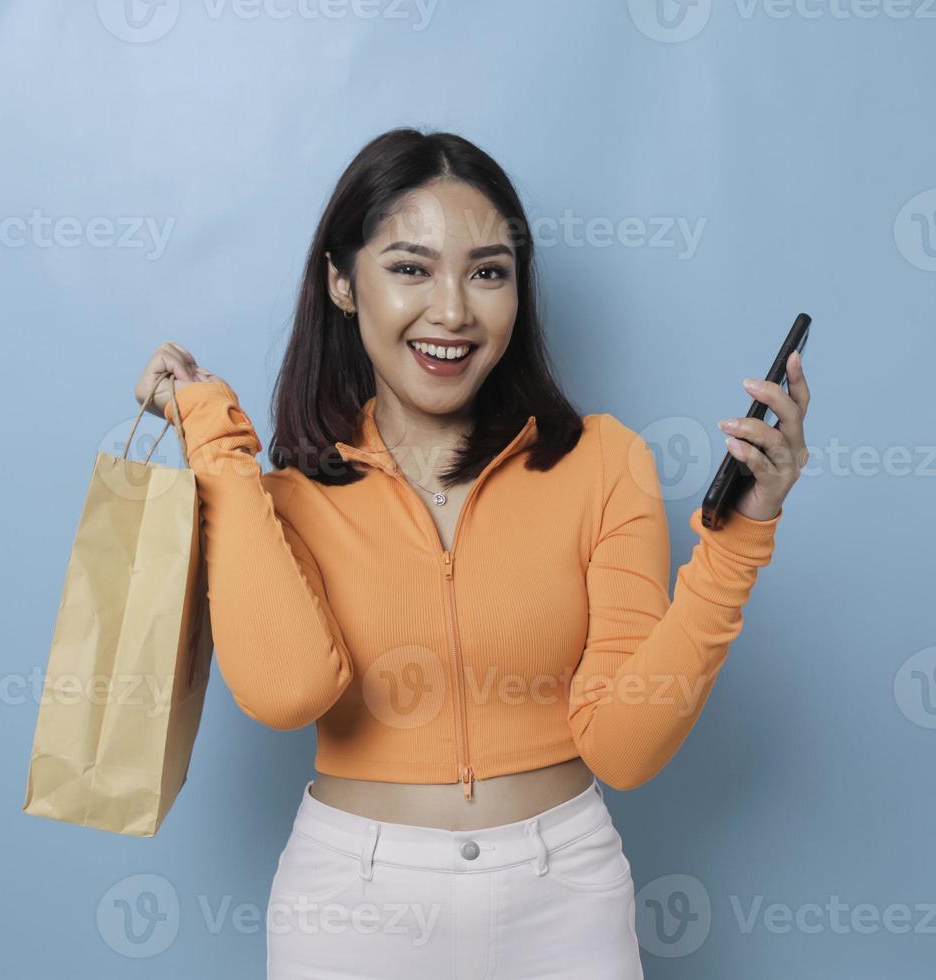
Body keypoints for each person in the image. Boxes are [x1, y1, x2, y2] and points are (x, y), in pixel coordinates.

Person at [133, 128, 809, 978]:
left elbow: (625, 747)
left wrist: (738, 539)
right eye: (410, 268)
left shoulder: (603, 461)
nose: (452, 310)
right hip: (351, 904)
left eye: (487, 271)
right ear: (342, 283)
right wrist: (217, 443)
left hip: (566, 898)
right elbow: (285, 692)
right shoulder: (289, 498)